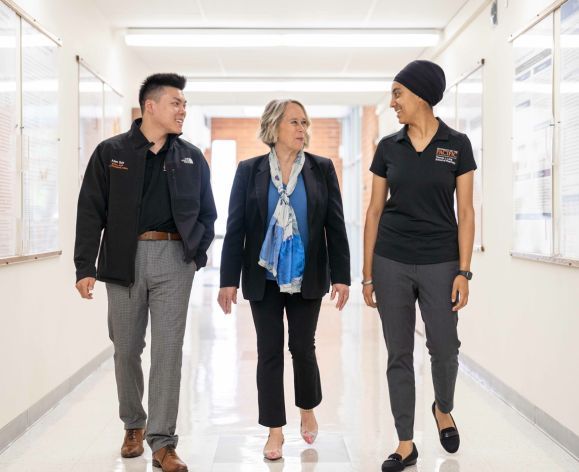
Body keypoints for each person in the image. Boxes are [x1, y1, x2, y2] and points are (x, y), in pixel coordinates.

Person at [74, 73, 217, 472]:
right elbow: (90, 210)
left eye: (185, 104)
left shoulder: (190, 157)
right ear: (150, 106)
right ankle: (133, 424)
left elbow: (208, 212)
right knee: (126, 349)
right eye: (176, 103)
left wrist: (195, 255)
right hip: (123, 261)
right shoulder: (111, 152)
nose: (183, 110)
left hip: (175, 259)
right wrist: (85, 265)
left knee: (168, 352)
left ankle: (163, 442)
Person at [217, 99, 351, 460]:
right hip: (265, 276)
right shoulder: (249, 171)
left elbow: (334, 226)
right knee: (269, 351)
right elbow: (236, 228)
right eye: (294, 122)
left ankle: (307, 408)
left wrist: (343, 276)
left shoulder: (322, 169)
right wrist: (227, 279)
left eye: (305, 123)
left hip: (307, 276)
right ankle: (274, 430)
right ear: (274, 127)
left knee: (303, 348)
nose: (302, 129)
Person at [363, 60, 477, 472]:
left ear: (422, 95)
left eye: (398, 93)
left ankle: (442, 408)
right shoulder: (388, 147)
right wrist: (368, 273)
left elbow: (465, 210)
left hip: (441, 261)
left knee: (445, 348)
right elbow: (375, 211)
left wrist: (464, 272)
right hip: (391, 258)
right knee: (399, 354)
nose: (392, 102)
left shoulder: (457, 145)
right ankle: (406, 443)